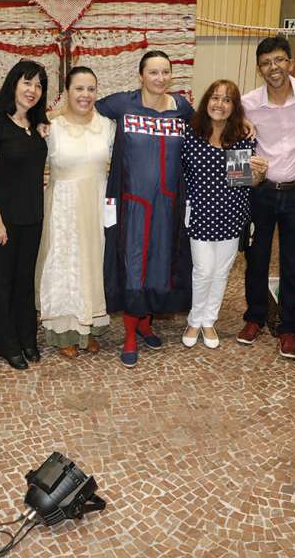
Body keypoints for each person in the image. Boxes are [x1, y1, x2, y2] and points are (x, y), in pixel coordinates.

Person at [96, 50, 194, 368]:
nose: (160, 78)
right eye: (153, 72)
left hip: (169, 203)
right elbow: (83, 109)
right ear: (141, 75)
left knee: (161, 263)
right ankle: (128, 332)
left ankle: (145, 323)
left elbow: (212, 126)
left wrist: (243, 123)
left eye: (165, 72)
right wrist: (48, 121)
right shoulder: (123, 104)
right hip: (133, 203)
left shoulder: (181, 107)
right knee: (134, 264)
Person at [237, 36, 295, 361]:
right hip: (261, 194)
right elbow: (237, 147)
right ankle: (255, 318)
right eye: (266, 63)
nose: (274, 68)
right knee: (255, 259)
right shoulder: (247, 103)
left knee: (294, 261)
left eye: (279, 60)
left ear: (291, 63)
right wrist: (244, 182)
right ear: (259, 69)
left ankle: (288, 327)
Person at [181, 80, 267, 349]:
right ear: (207, 101)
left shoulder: (240, 138)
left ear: (234, 107)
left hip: (231, 214)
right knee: (203, 270)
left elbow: (242, 182)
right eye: (215, 98)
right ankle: (194, 319)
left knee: (220, 272)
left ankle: (209, 320)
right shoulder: (191, 134)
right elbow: (182, 176)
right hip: (199, 215)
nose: (220, 104)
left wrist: (259, 175)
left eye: (227, 100)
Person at [36, 66, 115, 358]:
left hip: (96, 202)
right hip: (64, 206)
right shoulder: (50, 128)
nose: (85, 95)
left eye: (91, 89)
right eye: (79, 88)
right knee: (65, 266)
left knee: (93, 264)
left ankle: (91, 328)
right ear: (67, 91)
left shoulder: (107, 126)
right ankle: (64, 331)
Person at [0, 60, 49, 370]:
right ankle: (6, 344)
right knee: (4, 282)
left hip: (32, 216)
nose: (32, 90)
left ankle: (27, 338)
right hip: (2, 219)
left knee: (25, 282)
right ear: (13, 84)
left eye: (38, 85)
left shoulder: (36, 126)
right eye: (27, 82)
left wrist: (45, 123)